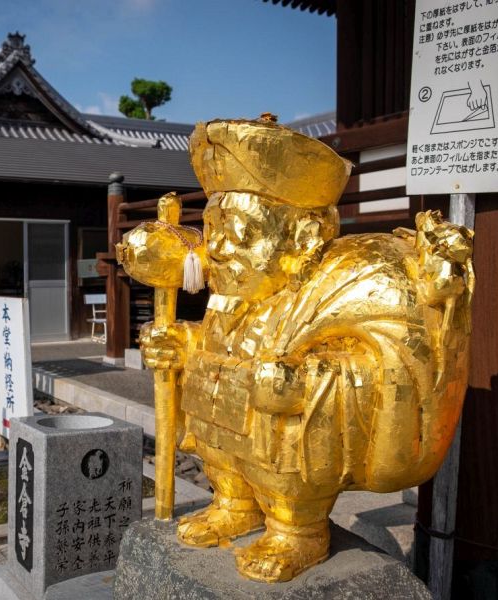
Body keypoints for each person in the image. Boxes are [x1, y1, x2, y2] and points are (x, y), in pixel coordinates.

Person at [136, 114, 474, 583]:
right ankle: (234, 502)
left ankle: (298, 531)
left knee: (292, 428)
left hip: (284, 432)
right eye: (213, 229)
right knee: (208, 398)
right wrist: (182, 346)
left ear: (303, 237)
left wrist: (308, 381)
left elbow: (382, 367)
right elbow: (206, 347)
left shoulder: (345, 284)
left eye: (240, 231)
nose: (218, 248)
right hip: (230, 422)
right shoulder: (230, 300)